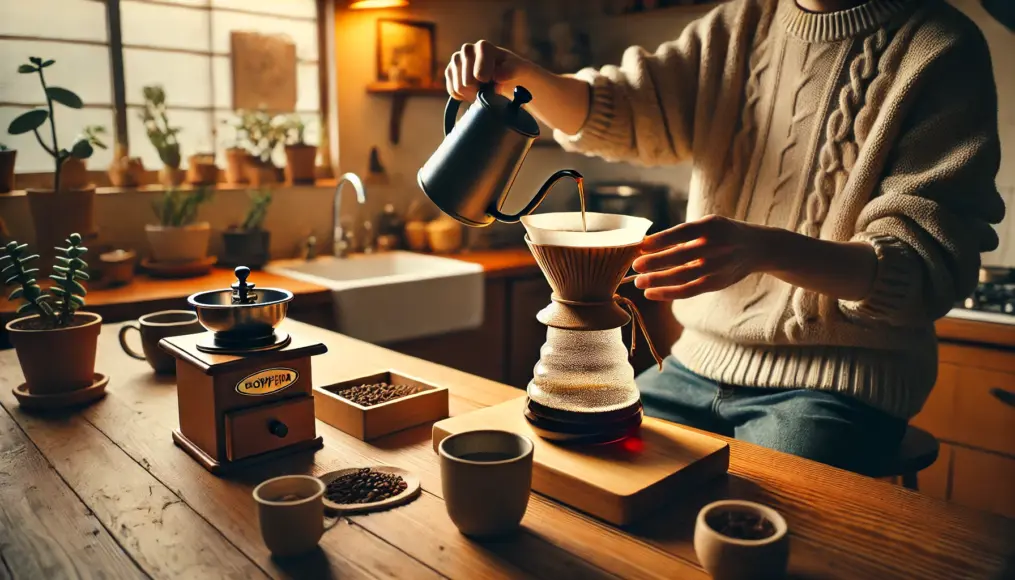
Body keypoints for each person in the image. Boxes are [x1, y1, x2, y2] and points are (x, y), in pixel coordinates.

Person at [446, 0, 1004, 475]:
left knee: (756, 536)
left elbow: (928, 271)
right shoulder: (739, 26)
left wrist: (767, 250)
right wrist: (526, 79)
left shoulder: (940, 49)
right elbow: (628, 108)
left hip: (836, 387)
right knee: (579, 477)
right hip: (690, 370)